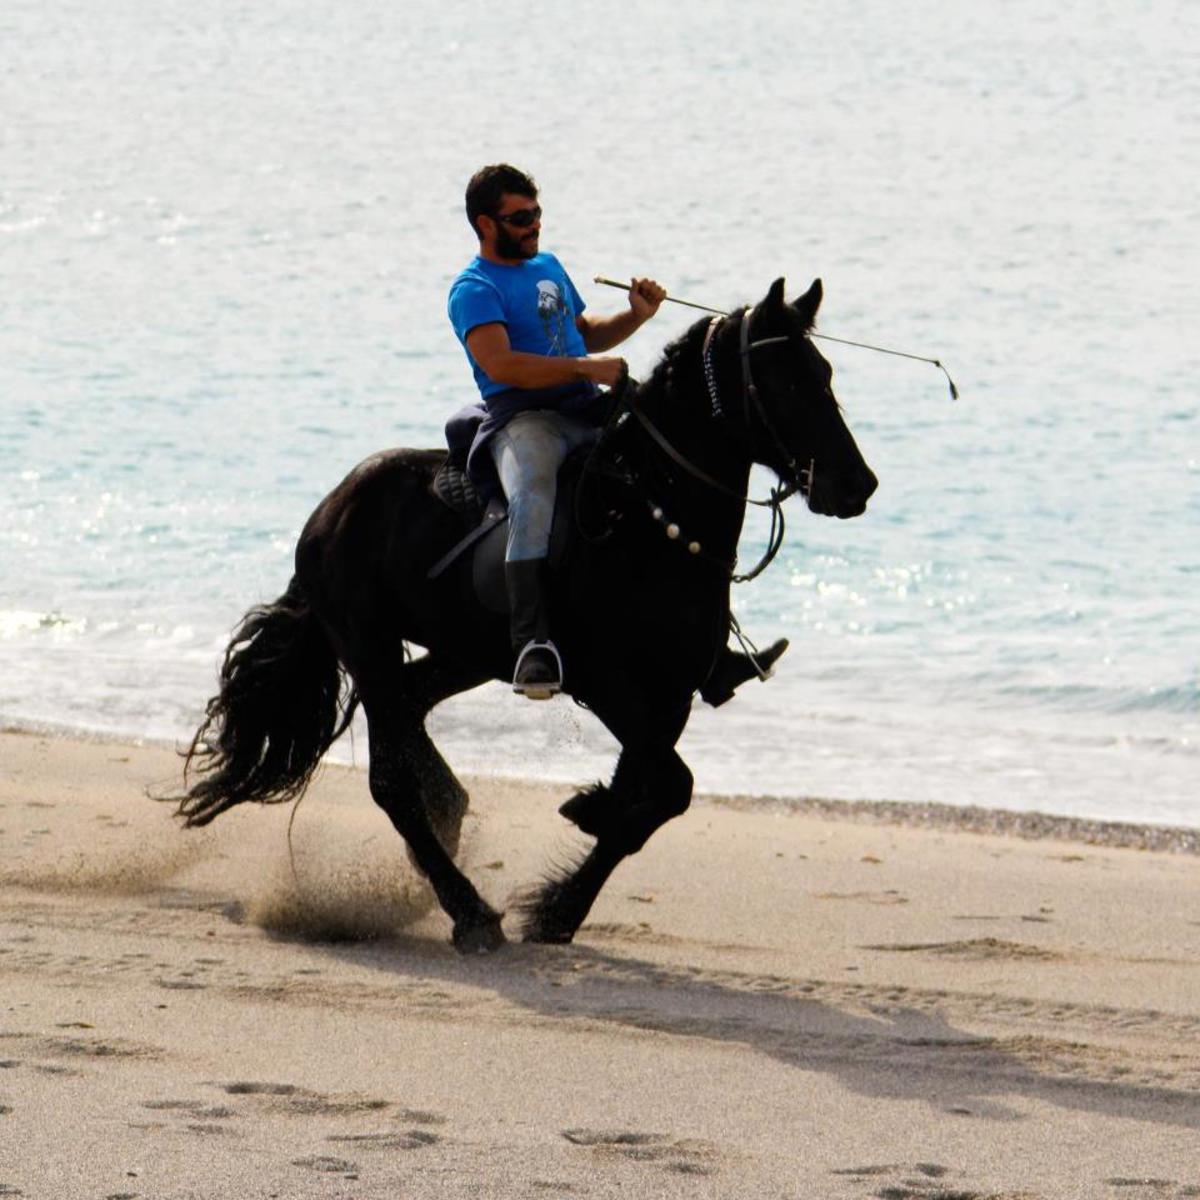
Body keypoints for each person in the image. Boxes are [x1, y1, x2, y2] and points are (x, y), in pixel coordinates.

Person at [447, 164, 786, 701]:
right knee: (534, 494)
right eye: (519, 218)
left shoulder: (548, 266)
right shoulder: (475, 289)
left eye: (537, 213)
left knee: (671, 483)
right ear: (486, 225)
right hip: (526, 420)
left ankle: (711, 649)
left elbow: (583, 335)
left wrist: (636, 315)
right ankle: (531, 644)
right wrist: (585, 370)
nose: (533, 225)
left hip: (587, 408)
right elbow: (505, 364)